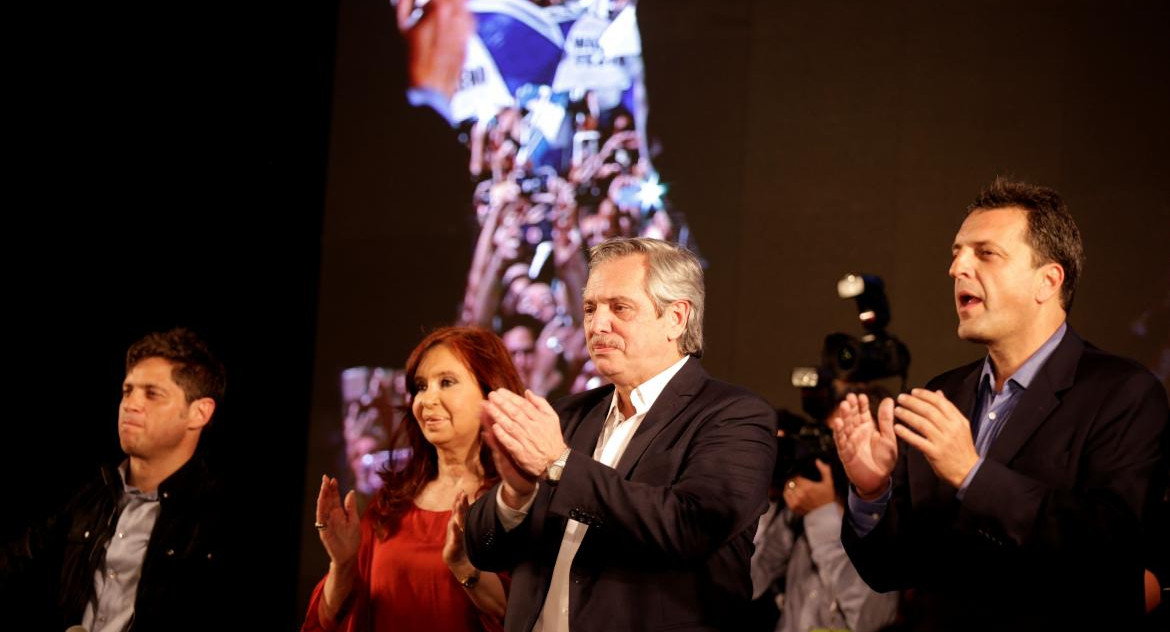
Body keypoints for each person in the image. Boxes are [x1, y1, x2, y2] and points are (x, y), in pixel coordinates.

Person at [830, 178, 1170, 631]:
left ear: (1048, 281)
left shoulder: (1123, 392)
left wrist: (972, 474)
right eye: (956, 253)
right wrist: (871, 494)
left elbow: (1106, 551)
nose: (956, 269)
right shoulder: (943, 395)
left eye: (984, 253)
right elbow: (889, 571)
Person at [464, 236, 778, 631]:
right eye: (591, 308)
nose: (597, 324)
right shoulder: (566, 415)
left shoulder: (734, 416)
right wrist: (516, 495)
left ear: (676, 318)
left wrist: (558, 465)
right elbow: (484, 550)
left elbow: (690, 527)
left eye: (620, 308)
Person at [1, 327, 229, 631]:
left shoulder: (220, 518)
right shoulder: (88, 497)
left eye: (152, 394)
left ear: (199, 413)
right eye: (127, 391)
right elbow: (15, 564)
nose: (130, 404)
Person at [304, 326, 525, 632]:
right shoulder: (391, 502)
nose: (426, 400)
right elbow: (326, 621)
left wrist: (463, 565)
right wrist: (342, 564)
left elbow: (521, 615)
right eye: (421, 387)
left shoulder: (517, 501)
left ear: (491, 393)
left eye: (446, 382)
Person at [751, 401, 898, 632]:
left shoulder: (885, 525)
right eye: (830, 436)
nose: (840, 449)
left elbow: (872, 620)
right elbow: (749, 583)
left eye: (848, 435)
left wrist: (822, 514)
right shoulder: (799, 518)